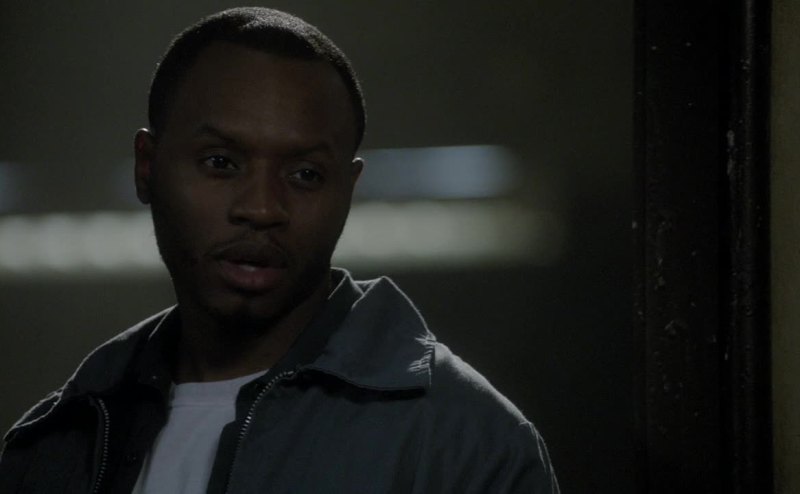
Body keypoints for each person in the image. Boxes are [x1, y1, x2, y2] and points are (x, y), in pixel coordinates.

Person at [0, 7, 559, 493]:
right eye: (221, 162)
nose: (262, 207)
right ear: (148, 168)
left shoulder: (466, 445)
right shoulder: (53, 444)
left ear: (347, 192)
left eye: (306, 174)